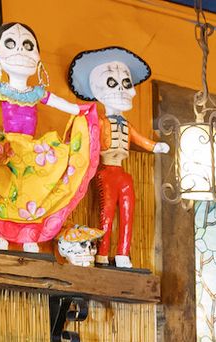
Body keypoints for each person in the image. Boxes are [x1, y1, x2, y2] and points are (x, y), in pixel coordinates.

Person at [0, 22, 99, 253]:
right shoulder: (0, 89)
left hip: (32, 150)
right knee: (2, 191)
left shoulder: (37, 93)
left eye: (27, 45)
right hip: (7, 148)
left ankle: (28, 237)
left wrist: (81, 111)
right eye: (11, 44)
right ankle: (1, 233)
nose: (20, 50)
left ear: (39, 56)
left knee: (33, 192)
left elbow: (65, 106)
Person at [68, 46, 168, 269]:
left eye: (127, 84)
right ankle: (102, 252)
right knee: (107, 213)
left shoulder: (127, 125)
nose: (128, 92)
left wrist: (156, 146)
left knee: (128, 212)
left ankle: (123, 252)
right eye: (114, 83)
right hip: (106, 171)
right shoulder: (99, 122)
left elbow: (141, 140)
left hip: (122, 172)